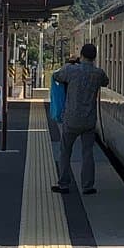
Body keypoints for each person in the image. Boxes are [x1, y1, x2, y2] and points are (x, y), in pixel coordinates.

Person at [51, 43, 109, 195]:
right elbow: (106, 82)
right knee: (87, 152)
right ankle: (88, 186)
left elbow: (56, 76)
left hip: (71, 119)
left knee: (65, 151)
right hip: (89, 120)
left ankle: (64, 184)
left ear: (81, 55)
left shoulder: (71, 70)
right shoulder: (98, 73)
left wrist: (70, 63)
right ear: (94, 57)